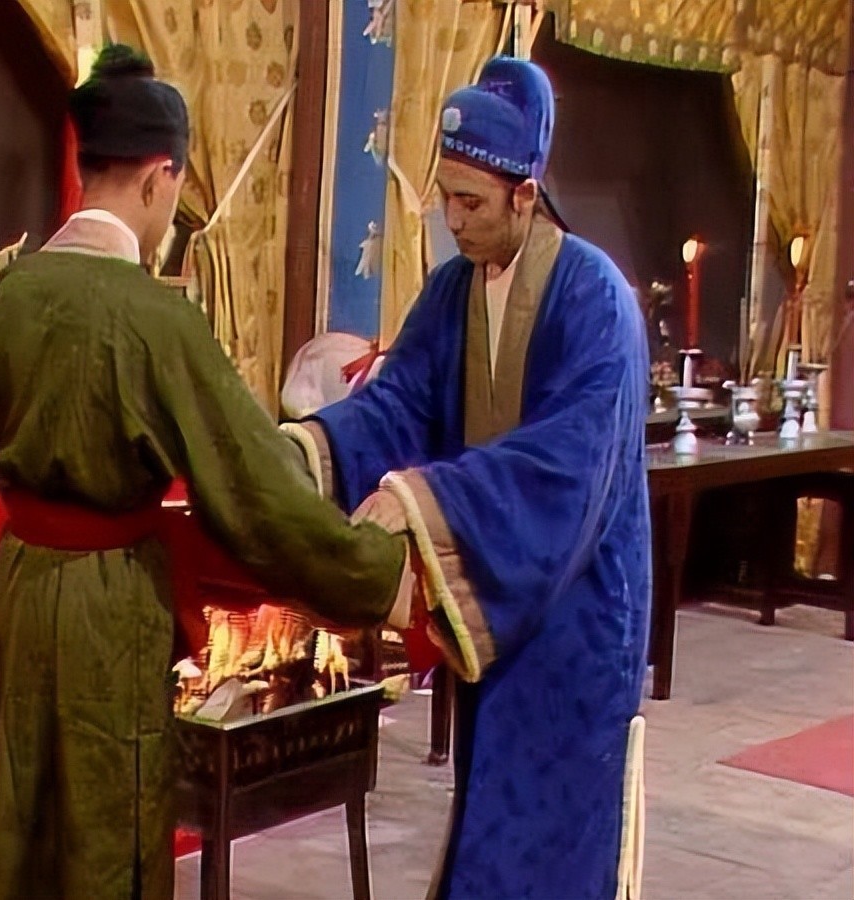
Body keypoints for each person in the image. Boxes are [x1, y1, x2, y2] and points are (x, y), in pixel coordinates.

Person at [0, 46, 412, 900]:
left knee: (17, 816)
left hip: (17, 585)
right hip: (106, 601)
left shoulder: (9, 295)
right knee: (108, 826)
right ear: (158, 177)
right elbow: (251, 489)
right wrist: (376, 572)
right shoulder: (152, 317)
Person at [285, 57, 651, 899]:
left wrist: (423, 499)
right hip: (493, 596)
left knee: (553, 836)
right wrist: (309, 451)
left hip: (577, 610)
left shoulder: (595, 298)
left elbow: (566, 464)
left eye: (472, 203)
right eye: (445, 198)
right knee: (490, 813)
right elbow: (400, 403)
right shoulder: (452, 291)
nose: (453, 221)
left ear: (526, 194)